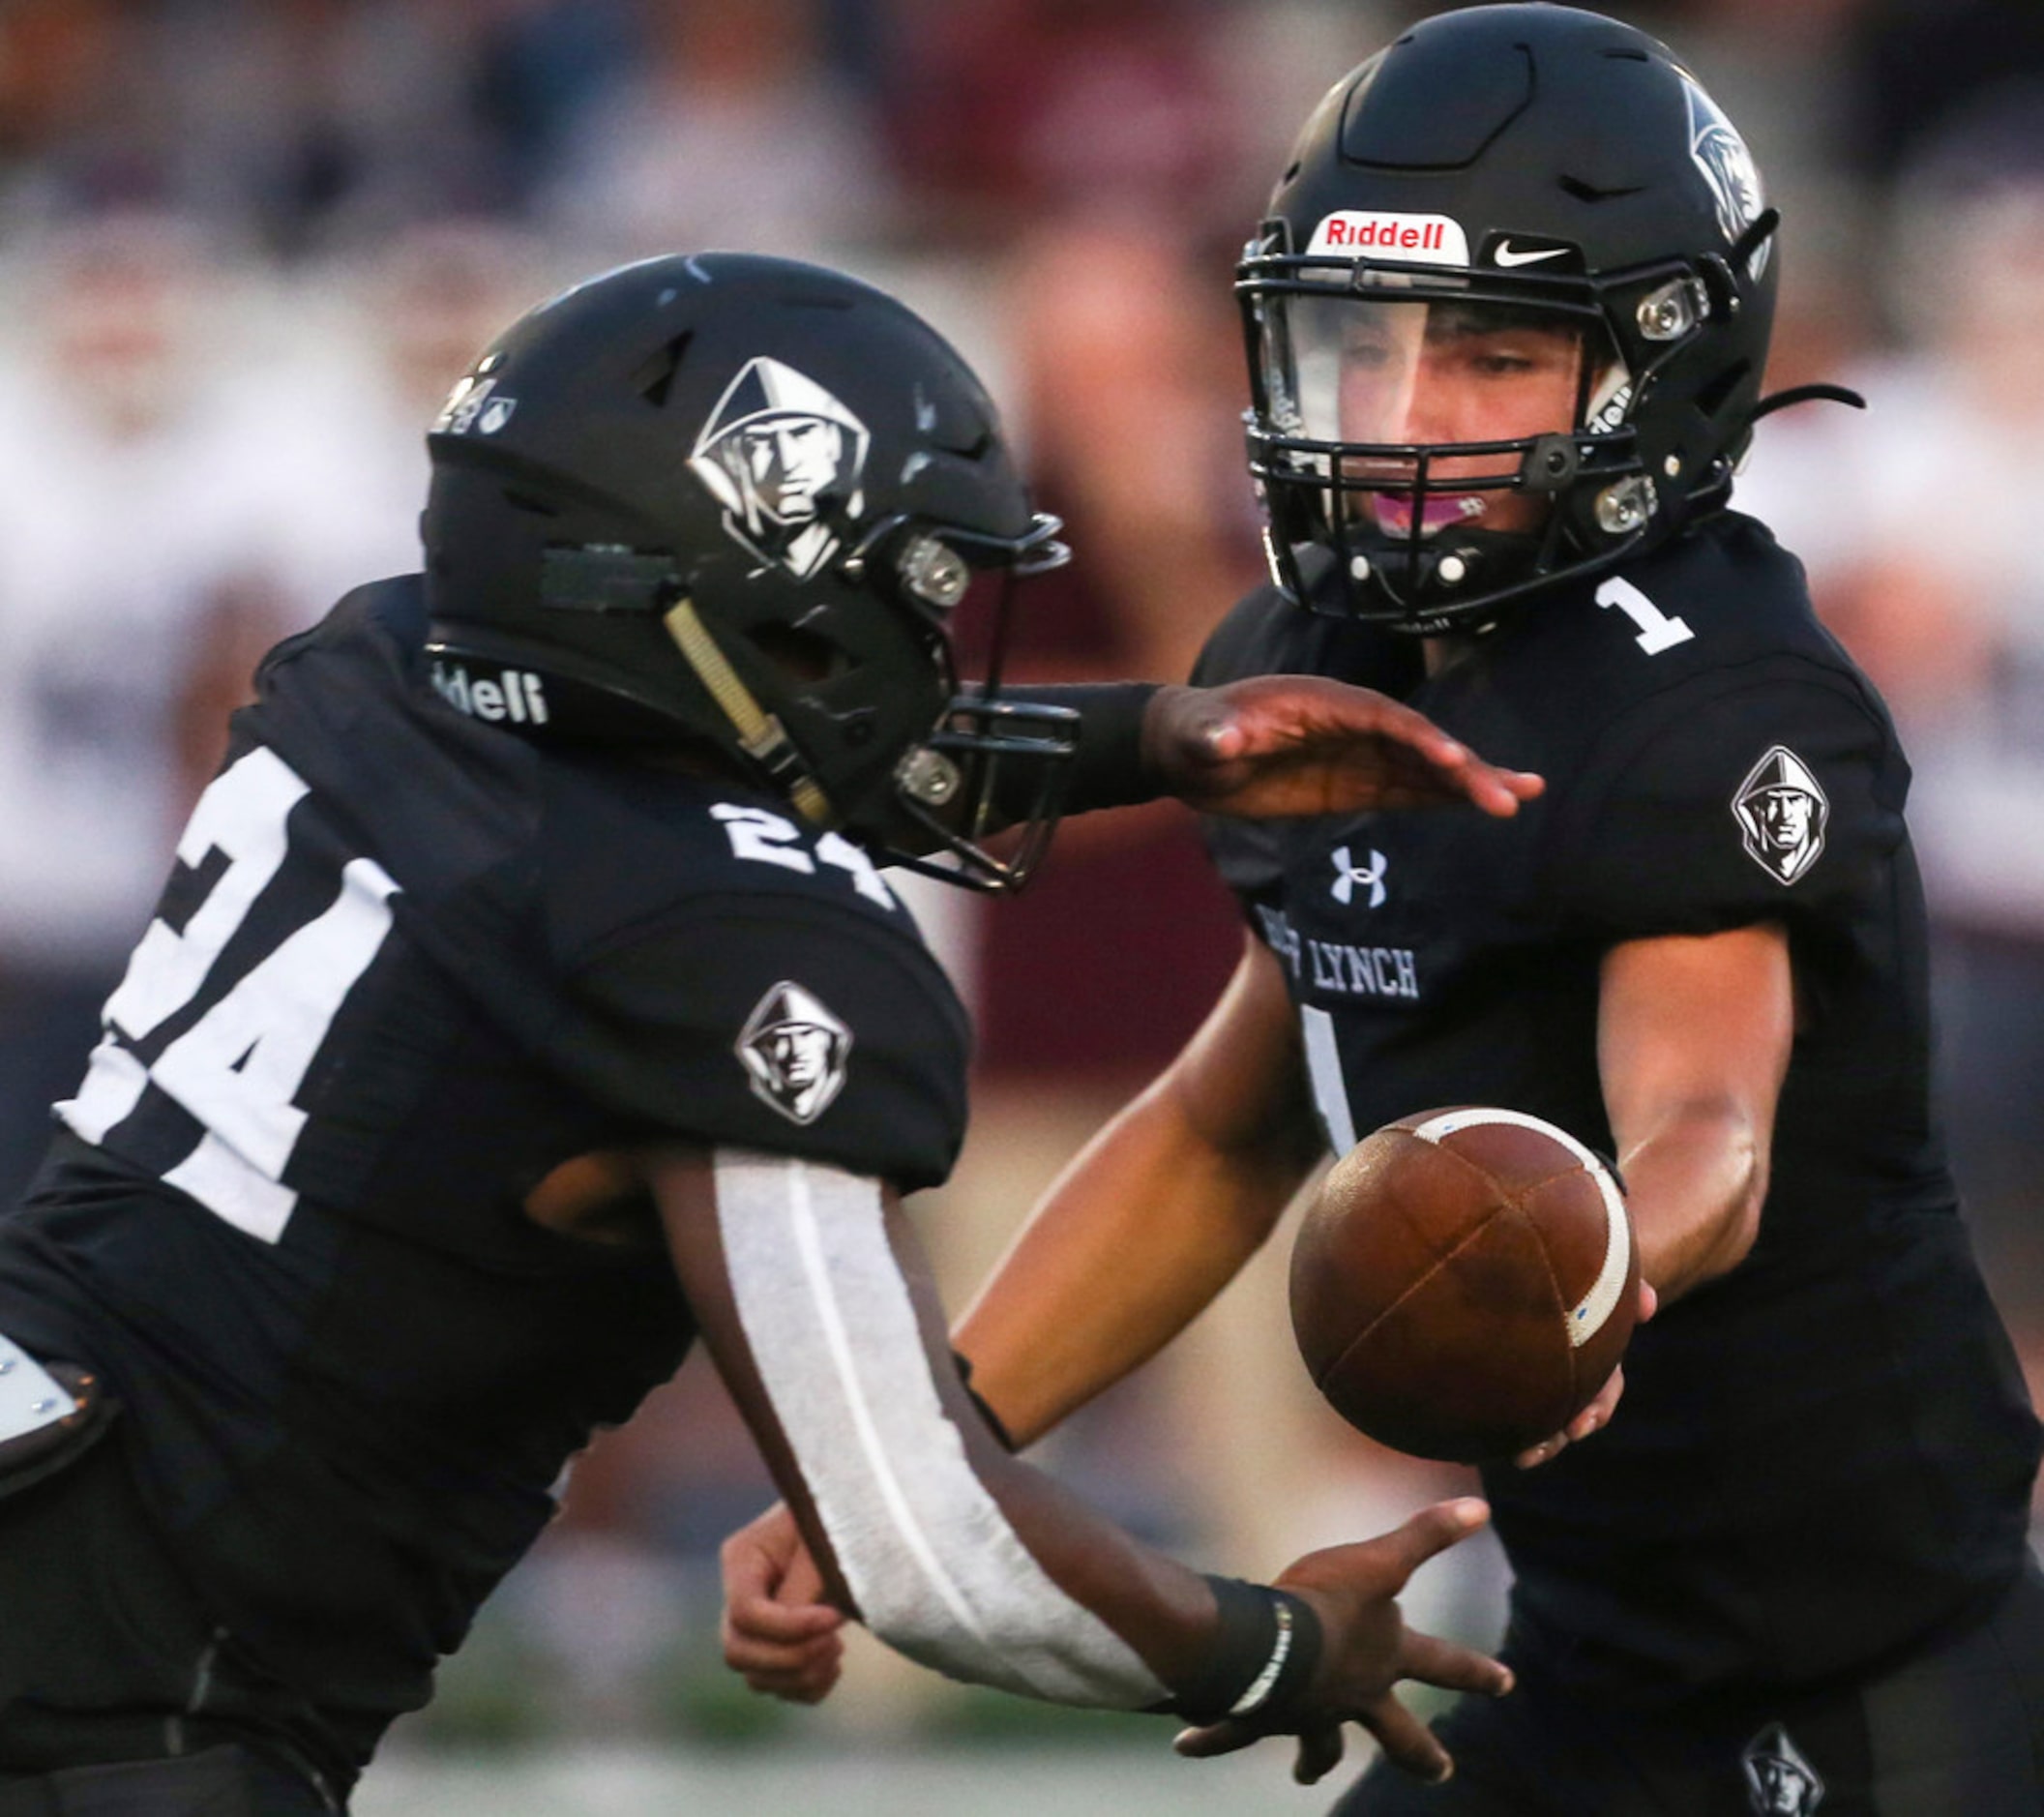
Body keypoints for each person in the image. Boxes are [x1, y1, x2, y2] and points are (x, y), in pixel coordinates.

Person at [0, 249, 1561, 1815]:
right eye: (914, 587)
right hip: (128, 1710)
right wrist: (1275, 1646)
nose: (934, 636)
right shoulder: (721, 948)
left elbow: (675, 766)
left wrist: (1146, 735)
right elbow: (919, 1536)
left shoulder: (382, 666)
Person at [721, 9, 2044, 1811]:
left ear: (1660, 366)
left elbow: (1706, 1115)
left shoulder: (1709, 696)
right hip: (1586, 1662)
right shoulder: (1308, 656)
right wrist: (893, 1471)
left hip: (1869, 1679)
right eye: (1359, 345)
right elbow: (1221, 1127)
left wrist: (1596, 1263)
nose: (1403, 416)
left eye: (1493, 356)